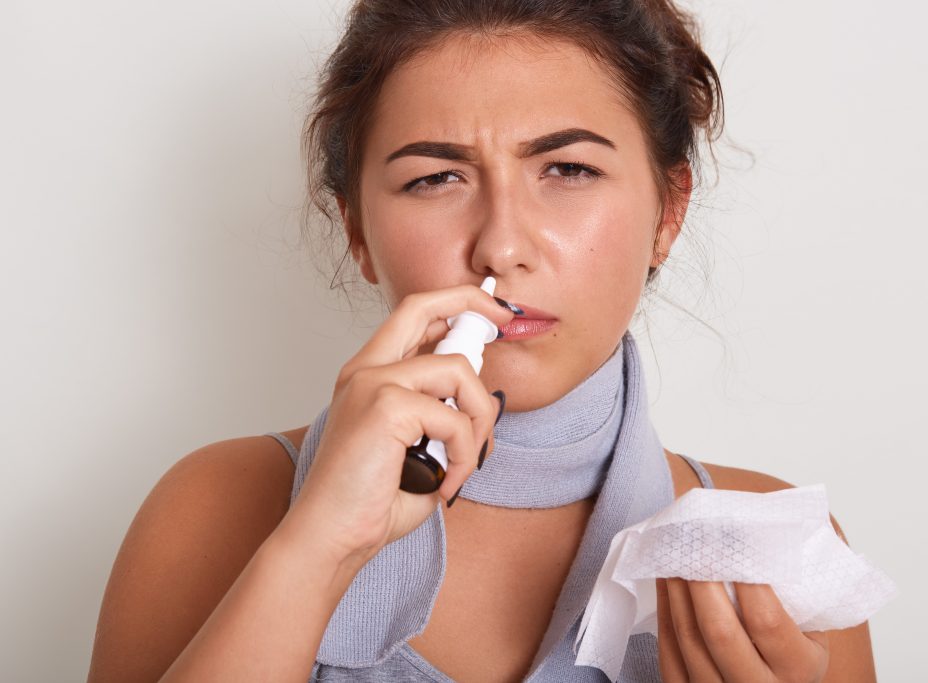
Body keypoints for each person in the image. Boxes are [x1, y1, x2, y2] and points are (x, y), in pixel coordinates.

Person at [87, 1, 878, 681]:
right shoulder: (214, 508)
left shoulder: (772, 547)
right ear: (357, 230)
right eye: (436, 179)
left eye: (567, 169)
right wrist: (316, 546)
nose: (502, 245)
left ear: (668, 212)